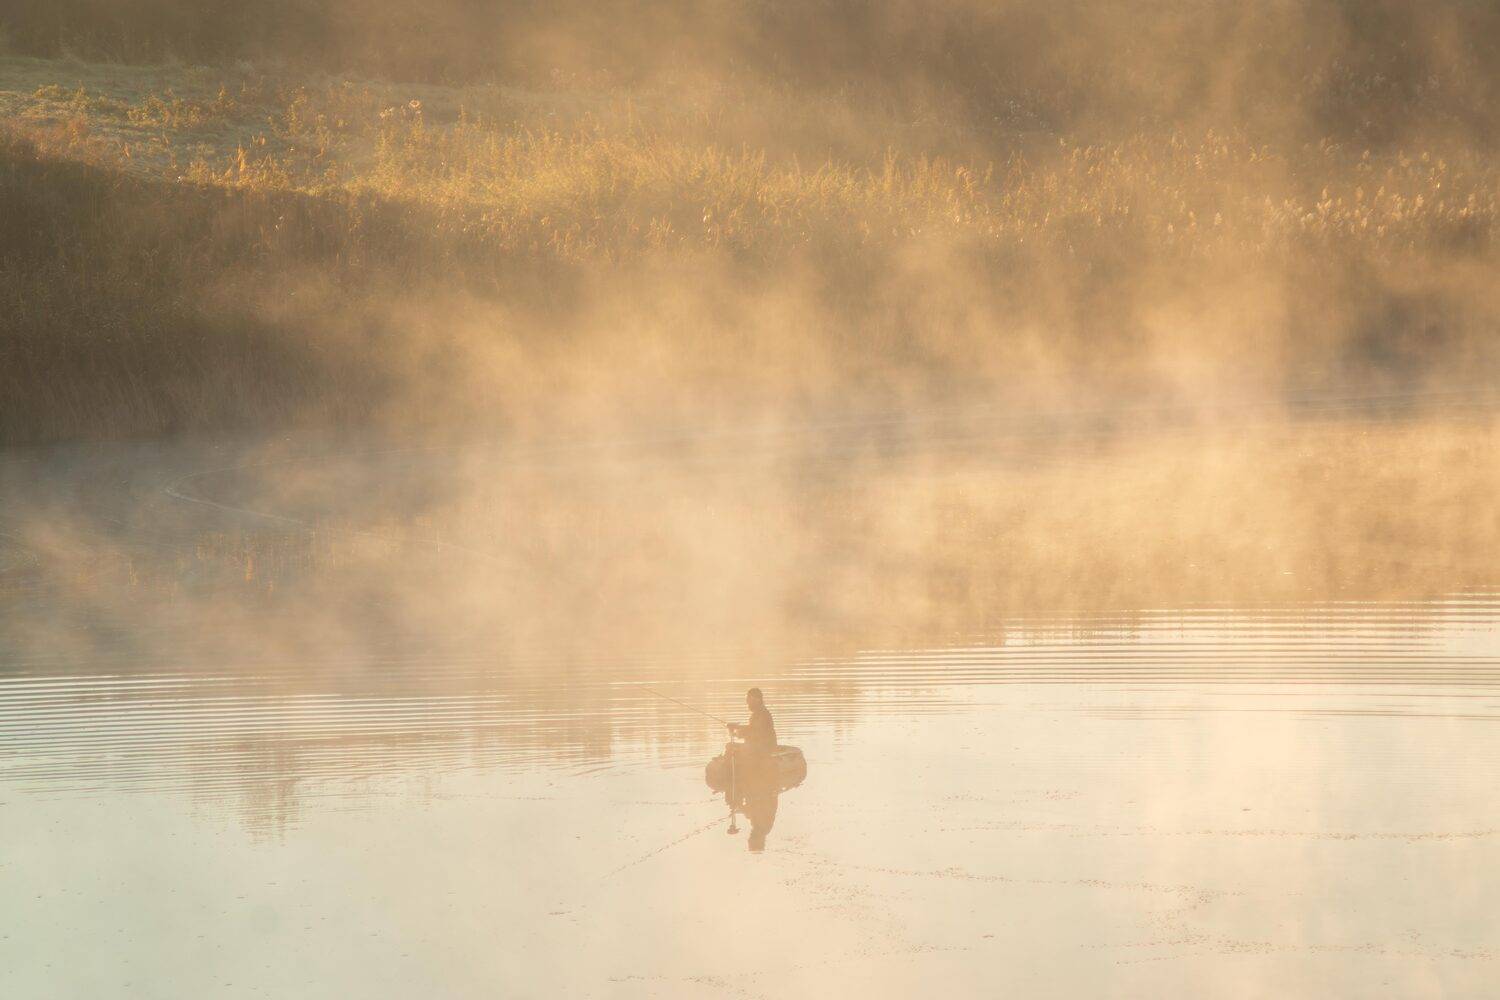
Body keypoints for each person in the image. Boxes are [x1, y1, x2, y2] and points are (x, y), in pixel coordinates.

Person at [727, 687, 776, 754]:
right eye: (747, 700)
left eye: (749, 699)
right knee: (730, 746)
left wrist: (739, 733)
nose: (747, 702)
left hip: (764, 748)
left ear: (757, 700)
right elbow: (752, 728)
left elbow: (757, 733)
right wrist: (736, 728)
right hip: (760, 746)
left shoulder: (762, 714)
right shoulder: (758, 713)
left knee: (730, 747)